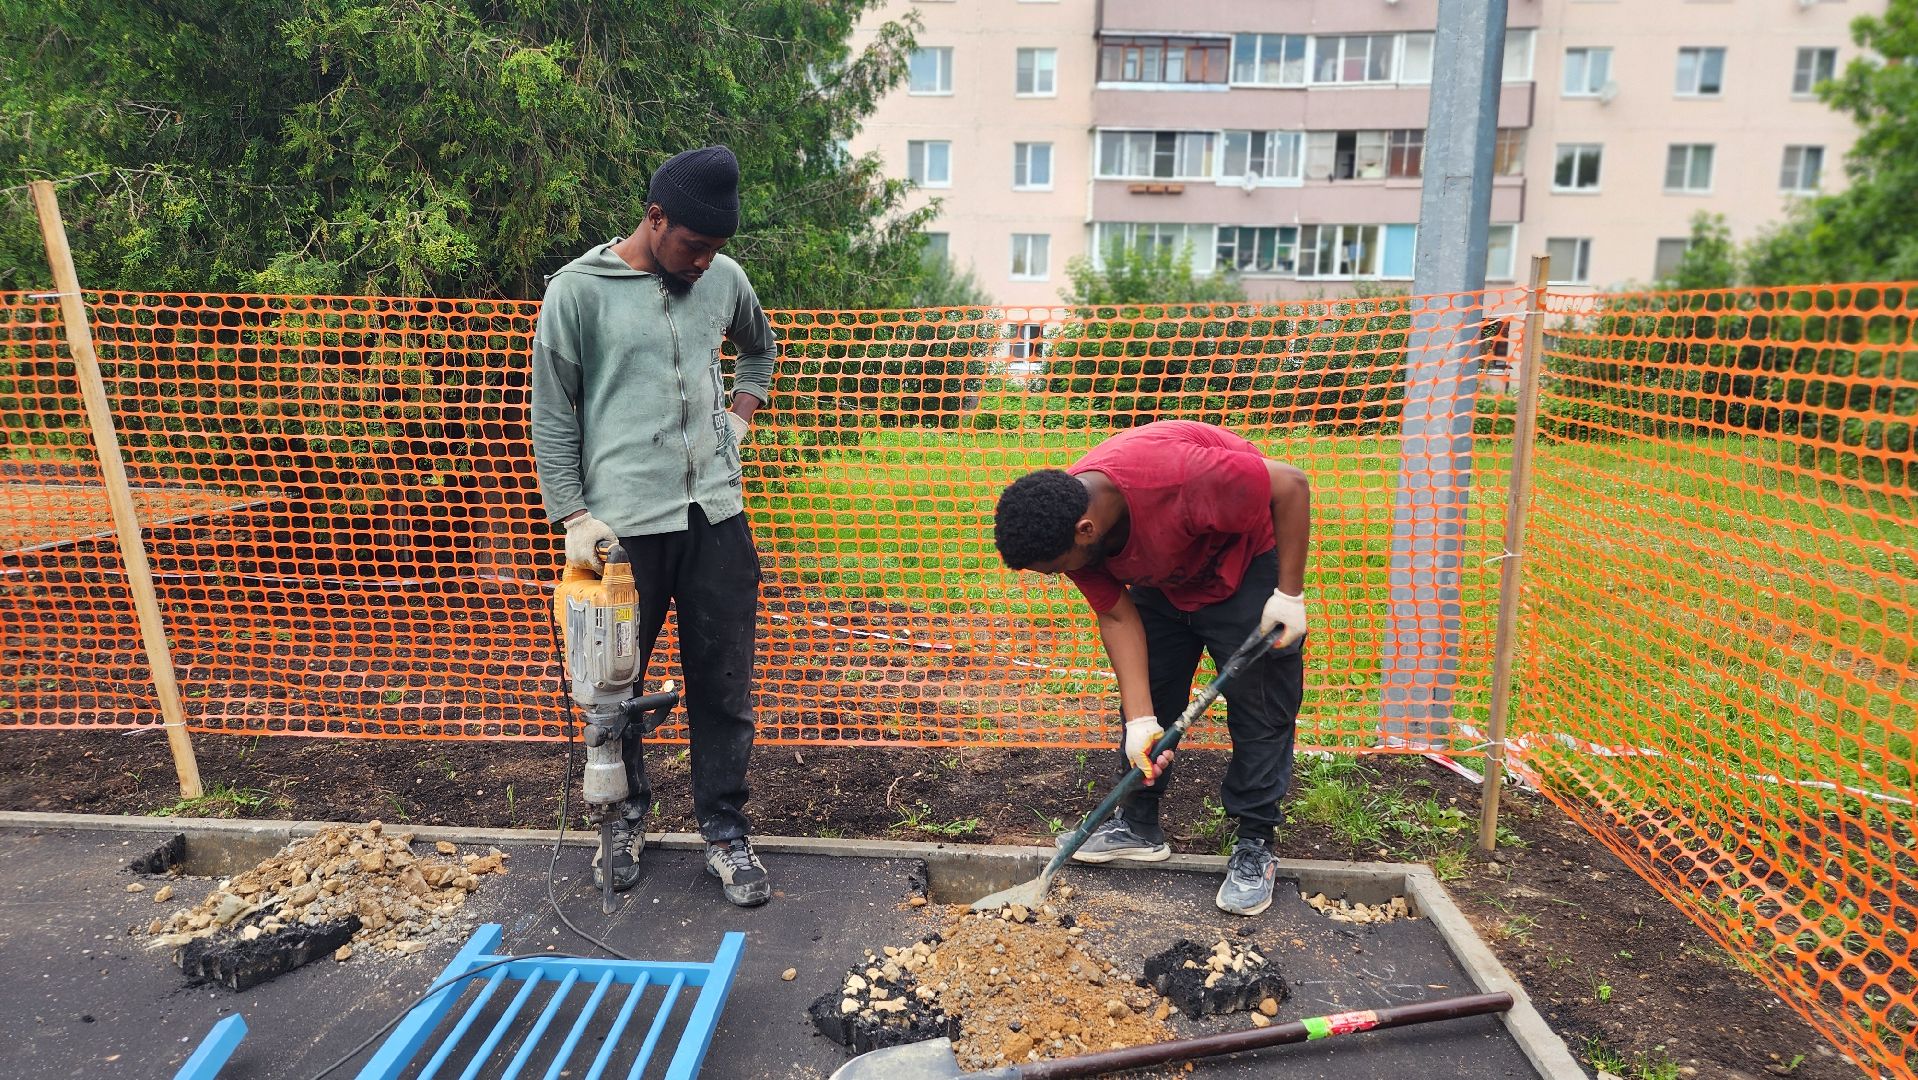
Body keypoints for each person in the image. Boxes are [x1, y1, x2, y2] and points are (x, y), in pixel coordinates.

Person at [530, 145, 779, 908]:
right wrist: (571, 512)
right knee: (616, 687)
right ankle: (624, 822)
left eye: (716, 250)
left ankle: (726, 834)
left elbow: (761, 352)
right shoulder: (578, 293)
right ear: (655, 218)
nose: (706, 264)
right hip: (622, 530)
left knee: (724, 684)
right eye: (694, 246)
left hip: (716, 515)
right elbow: (550, 412)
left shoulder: (724, 280)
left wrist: (740, 417)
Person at [993, 419, 1310, 916]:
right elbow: (1118, 615)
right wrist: (1141, 721)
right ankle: (1137, 825)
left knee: (1260, 706)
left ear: (1085, 531)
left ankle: (1255, 842)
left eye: (1056, 569)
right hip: (1161, 582)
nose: (1060, 577)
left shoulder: (1178, 477)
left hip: (1244, 571)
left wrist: (1288, 595)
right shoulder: (1073, 529)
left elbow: (1289, 483)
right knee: (1152, 695)